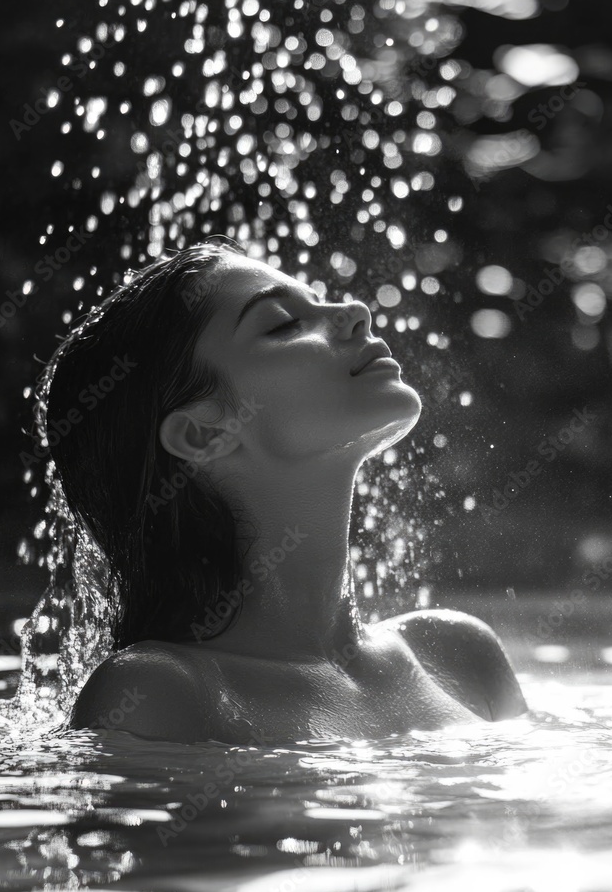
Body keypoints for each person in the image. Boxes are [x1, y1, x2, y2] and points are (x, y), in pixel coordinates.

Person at [44, 237, 527, 744]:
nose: (356, 311)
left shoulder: (458, 652)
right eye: (282, 324)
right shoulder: (160, 694)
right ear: (204, 433)